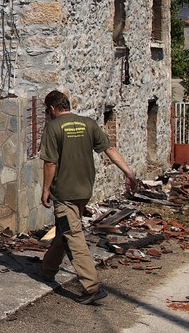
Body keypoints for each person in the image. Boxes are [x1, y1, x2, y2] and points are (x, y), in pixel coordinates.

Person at [38, 89, 137, 304]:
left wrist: (46, 189)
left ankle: (91, 287)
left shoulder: (53, 127)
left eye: (47, 110)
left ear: (53, 108)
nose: (48, 114)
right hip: (84, 191)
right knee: (65, 230)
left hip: (64, 193)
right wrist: (128, 172)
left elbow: (50, 163)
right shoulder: (88, 124)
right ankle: (47, 270)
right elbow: (109, 148)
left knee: (73, 236)